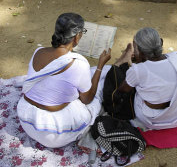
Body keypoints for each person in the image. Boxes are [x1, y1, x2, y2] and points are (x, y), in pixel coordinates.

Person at [17, 13, 111, 148]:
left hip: (27, 121)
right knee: (97, 93)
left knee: (78, 82)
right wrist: (100, 66)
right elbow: (87, 100)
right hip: (54, 134)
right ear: (77, 37)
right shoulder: (79, 63)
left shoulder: (38, 51)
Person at [117, 28, 177, 130]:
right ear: (161, 42)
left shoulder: (138, 69)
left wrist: (137, 63)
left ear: (141, 52)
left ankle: (123, 59)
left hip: (153, 119)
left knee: (133, 89)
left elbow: (123, 89)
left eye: (135, 47)